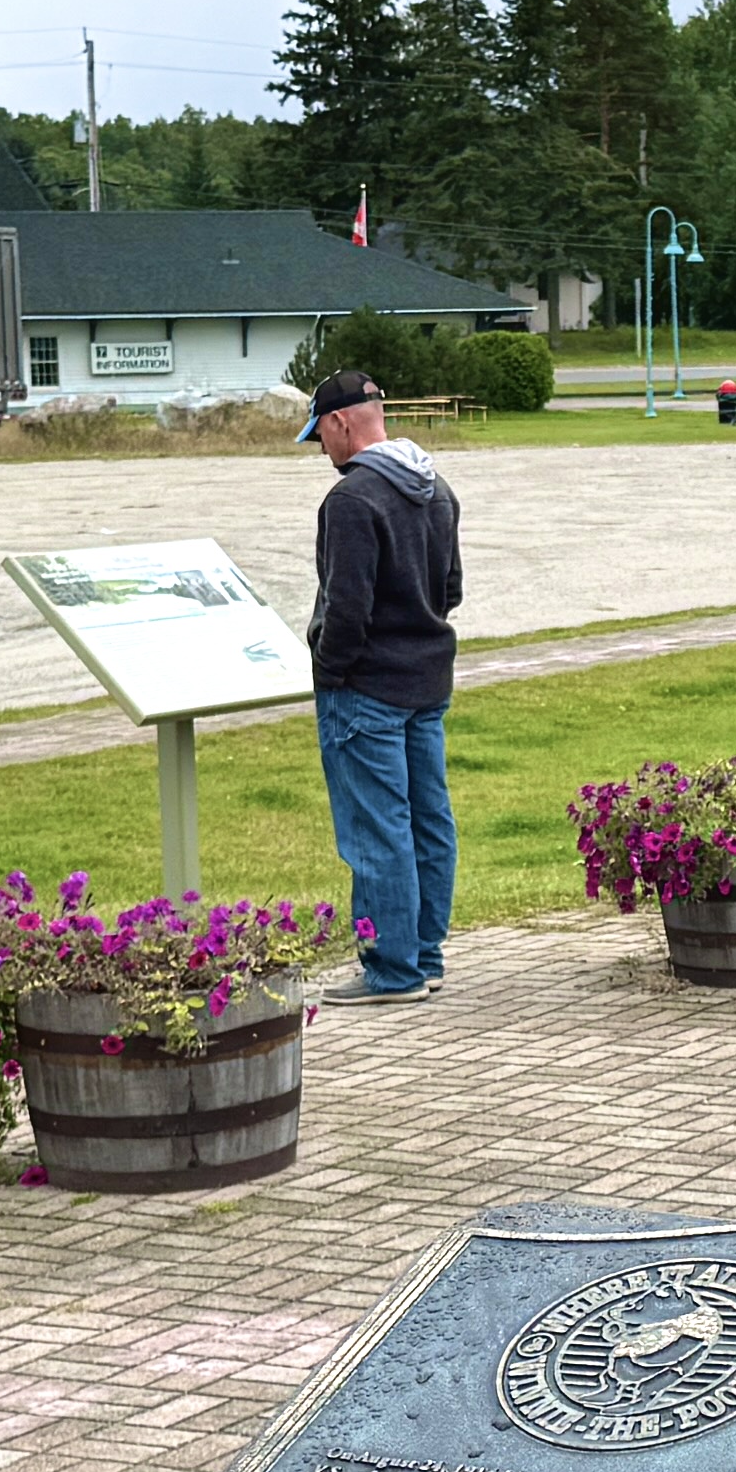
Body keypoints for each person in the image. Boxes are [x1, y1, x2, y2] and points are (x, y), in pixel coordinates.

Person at [300, 368, 460, 1000]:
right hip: (427, 677)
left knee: (377, 828)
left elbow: (347, 609)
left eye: (319, 436)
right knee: (428, 818)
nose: (321, 450)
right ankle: (423, 954)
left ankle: (390, 969)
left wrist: (329, 669)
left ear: (341, 423)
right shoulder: (435, 486)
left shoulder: (352, 500)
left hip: (365, 688)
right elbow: (450, 590)